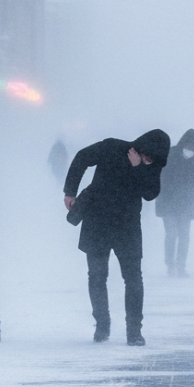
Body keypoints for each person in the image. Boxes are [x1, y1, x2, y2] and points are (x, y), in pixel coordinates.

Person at [64, 129, 170, 346]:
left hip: (127, 226)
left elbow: (151, 193)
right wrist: (70, 191)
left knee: (133, 279)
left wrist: (139, 167)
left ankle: (134, 331)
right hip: (97, 222)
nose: (149, 161)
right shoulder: (112, 147)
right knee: (97, 276)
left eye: (153, 160)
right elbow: (82, 157)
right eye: (148, 156)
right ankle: (102, 325)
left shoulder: (151, 166)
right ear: (142, 147)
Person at [156, 129, 194, 277]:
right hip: (167, 202)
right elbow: (160, 176)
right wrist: (166, 195)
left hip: (185, 203)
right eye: (189, 145)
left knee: (184, 236)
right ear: (184, 142)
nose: (191, 149)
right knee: (171, 234)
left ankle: (181, 265)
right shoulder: (169, 154)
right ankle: (170, 264)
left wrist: (190, 198)